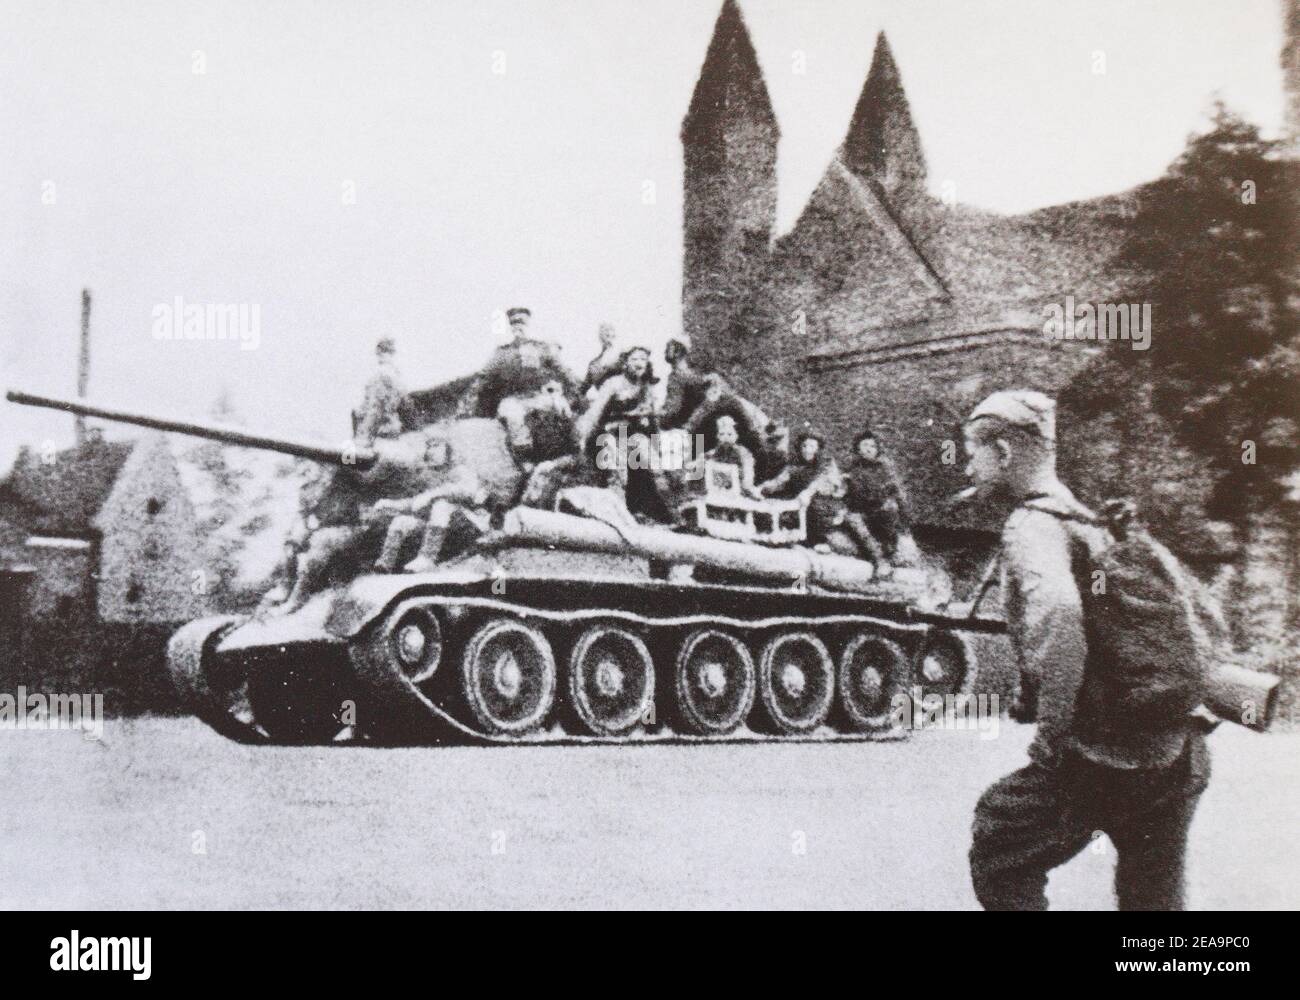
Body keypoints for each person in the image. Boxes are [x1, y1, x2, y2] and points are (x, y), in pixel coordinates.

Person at [963, 389, 1211, 911]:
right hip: (1175, 747)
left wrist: (1052, 736)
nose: (966, 463)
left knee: (1001, 844)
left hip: (1106, 753)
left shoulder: (1033, 525)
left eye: (971, 450)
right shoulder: (1094, 521)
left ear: (1004, 453)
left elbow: (1060, 617)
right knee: (1153, 898)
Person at [368, 436, 492, 573]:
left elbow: (467, 491)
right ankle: (385, 564)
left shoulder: (462, 470)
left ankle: (427, 558)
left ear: (449, 449)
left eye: (436, 446)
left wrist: (433, 495)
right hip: (443, 527)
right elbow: (417, 503)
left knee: (441, 505)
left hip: (471, 524)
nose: (431, 451)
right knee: (401, 521)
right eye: (429, 446)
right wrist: (391, 504)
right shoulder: (432, 477)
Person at [576, 346, 669, 521]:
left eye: (643, 359)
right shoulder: (613, 383)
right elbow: (594, 413)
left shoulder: (647, 387)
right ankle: (616, 513)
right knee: (617, 468)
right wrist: (582, 437)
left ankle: (672, 513)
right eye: (634, 359)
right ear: (625, 363)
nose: (639, 363)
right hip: (611, 435)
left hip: (635, 437)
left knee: (654, 464)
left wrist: (658, 445)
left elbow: (653, 421)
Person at [757, 428, 853, 553]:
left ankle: (820, 541)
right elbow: (780, 480)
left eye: (812, 446)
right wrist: (761, 489)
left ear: (818, 448)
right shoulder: (795, 464)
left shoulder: (827, 464)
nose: (807, 450)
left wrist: (808, 492)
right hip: (802, 501)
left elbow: (823, 481)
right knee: (778, 506)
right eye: (804, 446)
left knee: (815, 506)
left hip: (826, 503)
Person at [842, 429, 911, 572]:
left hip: (879, 510)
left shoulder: (885, 468)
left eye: (872, 446)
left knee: (890, 510)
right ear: (858, 448)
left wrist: (904, 522)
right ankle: (878, 558)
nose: (868, 450)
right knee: (854, 521)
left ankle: (890, 552)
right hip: (858, 511)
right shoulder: (851, 467)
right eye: (865, 445)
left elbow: (898, 493)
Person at [354, 337, 405, 444]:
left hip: (378, 430)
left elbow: (375, 407)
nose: (379, 357)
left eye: (382, 353)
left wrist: (363, 435)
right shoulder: (396, 375)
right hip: (391, 427)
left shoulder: (382, 374)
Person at [581, 322, 622, 398]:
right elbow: (583, 389)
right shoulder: (593, 364)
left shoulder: (622, 359)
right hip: (603, 401)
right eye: (606, 336)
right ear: (600, 338)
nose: (609, 340)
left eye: (612, 336)